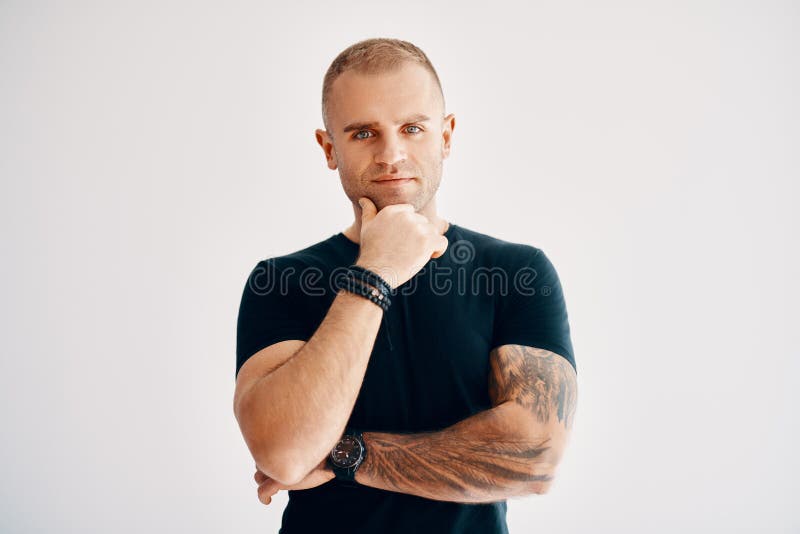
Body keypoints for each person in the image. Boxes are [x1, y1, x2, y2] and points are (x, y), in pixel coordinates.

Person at [233, 37, 578, 534]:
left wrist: (345, 457)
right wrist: (375, 271)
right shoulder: (280, 281)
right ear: (329, 148)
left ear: (447, 136)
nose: (391, 154)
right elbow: (284, 455)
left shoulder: (515, 272)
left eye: (412, 128)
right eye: (362, 133)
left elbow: (535, 457)